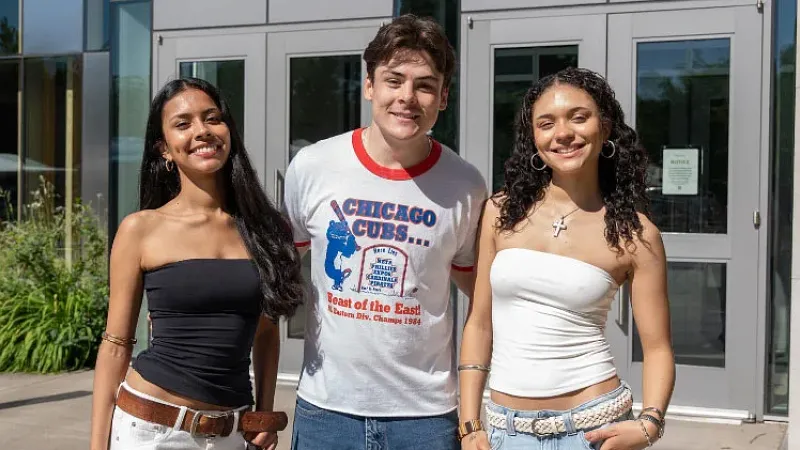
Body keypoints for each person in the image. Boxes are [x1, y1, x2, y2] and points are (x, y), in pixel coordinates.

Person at [282, 14, 487, 450]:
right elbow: (272, 270)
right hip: (327, 413)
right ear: (370, 86)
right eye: (394, 80)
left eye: (425, 85)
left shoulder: (465, 185)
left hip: (425, 420)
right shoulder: (314, 167)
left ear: (443, 97)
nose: (407, 97)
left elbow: (482, 295)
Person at [458, 67, 675, 450]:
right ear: (534, 138)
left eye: (578, 117)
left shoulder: (636, 234)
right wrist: (469, 423)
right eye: (547, 123)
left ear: (604, 128)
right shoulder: (500, 212)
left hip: (595, 430)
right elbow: (479, 323)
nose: (563, 133)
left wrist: (649, 425)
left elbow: (657, 348)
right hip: (505, 433)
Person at [90, 77, 304, 450]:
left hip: (232, 433)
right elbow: (115, 345)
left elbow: (266, 332)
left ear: (228, 132)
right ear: (164, 149)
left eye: (212, 118)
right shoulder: (141, 229)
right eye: (183, 123)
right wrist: (97, 446)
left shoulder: (265, 231)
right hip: (151, 430)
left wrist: (264, 414)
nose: (202, 131)